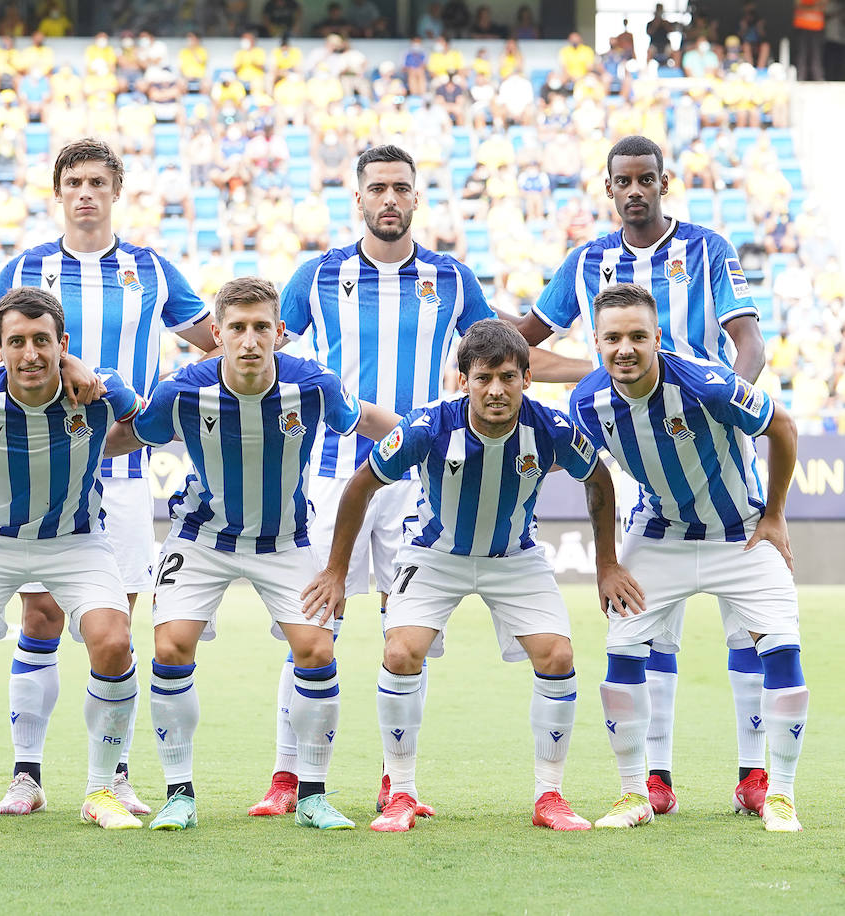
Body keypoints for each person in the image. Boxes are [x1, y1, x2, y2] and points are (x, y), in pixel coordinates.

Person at [252, 144, 586, 816]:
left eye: (400, 188)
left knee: (408, 633)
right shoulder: (317, 275)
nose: (389, 199)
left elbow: (510, 355)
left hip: (422, 478)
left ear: (415, 197)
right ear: (358, 197)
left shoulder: (452, 278)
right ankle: (288, 776)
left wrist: (603, 368)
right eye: (377, 188)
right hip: (335, 474)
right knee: (313, 627)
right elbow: (257, 348)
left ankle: (394, 781)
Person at [514, 134, 770, 819]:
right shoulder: (586, 262)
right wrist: (603, 372)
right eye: (622, 181)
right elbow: (524, 345)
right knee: (647, 632)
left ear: (663, 182)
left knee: (750, 630)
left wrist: (733, 402)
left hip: (716, 452)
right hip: (644, 469)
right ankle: (655, 778)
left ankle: (753, 775)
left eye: (645, 179)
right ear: (608, 188)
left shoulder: (707, 249)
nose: (634, 190)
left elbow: (749, 340)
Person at [303, 319, 639, 833]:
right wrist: (335, 570)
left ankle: (549, 795)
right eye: (483, 378)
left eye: (508, 377)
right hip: (435, 554)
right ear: (464, 381)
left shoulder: (552, 429)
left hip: (514, 557)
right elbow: (361, 485)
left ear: (527, 378)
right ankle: (401, 792)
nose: (496, 390)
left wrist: (607, 566)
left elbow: (598, 479)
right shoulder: (427, 426)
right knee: (400, 652)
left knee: (558, 656)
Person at [0, 138, 215, 819]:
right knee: (41, 616)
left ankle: (115, 774)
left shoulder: (151, 270)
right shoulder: (27, 267)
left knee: (114, 628)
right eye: (73, 181)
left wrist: (173, 399)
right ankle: (26, 775)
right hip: (42, 471)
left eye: (97, 182)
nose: (85, 193)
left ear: (115, 191)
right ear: (58, 192)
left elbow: (215, 342)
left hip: (124, 469)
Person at [106, 278, 397, 832]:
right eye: (236, 328)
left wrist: (420, 440)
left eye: (261, 327)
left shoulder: (312, 384)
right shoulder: (182, 390)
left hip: (283, 540)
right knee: (170, 646)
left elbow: (361, 418)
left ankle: (312, 796)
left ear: (279, 333)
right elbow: (132, 433)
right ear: (216, 334)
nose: (249, 340)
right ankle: (179, 794)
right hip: (201, 538)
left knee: (316, 649)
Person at [570, 283, 808, 833]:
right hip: (661, 534)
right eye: (612, 338)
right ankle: (635, 793)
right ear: (597, 342)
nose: (624, 349)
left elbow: (784, 427)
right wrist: (606, 563)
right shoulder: (586, 402)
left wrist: (774, 514)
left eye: (637, 336)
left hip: (741, 532)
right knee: (622, 649)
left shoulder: (708, 384)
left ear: (657, 337)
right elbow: (594, 478)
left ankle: (781, 795)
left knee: (782, 649)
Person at [0, 287, 146, 831]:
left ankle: (101, 790)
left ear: (62, 343)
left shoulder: (103, 389)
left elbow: (145, 424)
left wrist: (90, 411)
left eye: (43, 341)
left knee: (114, 642)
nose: (30, 354)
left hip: (76, 540)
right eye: (16, 342)